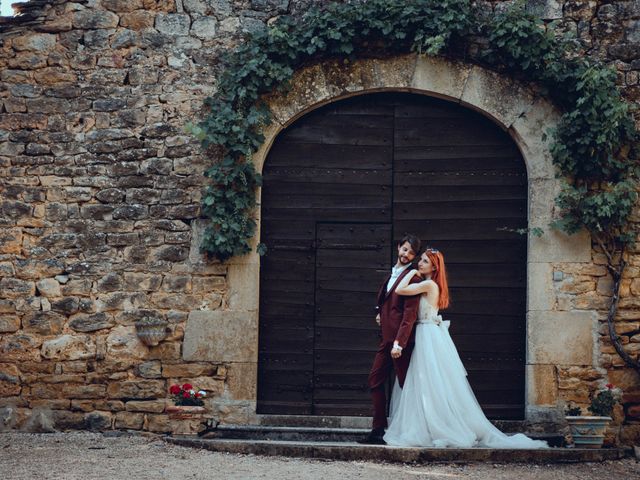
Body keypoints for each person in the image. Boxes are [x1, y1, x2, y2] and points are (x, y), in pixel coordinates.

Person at [382, 248, 549, 448]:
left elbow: (400, 289)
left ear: (434, 266)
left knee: (430, 380)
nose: (420, 263)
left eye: (425, 261)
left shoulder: (428, 284)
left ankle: (440, 424)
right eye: (421, 260)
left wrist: (409, 272)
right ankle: (428, 423)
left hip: (427, 334)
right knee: (427, 382)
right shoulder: (430, 284)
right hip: (427, 333)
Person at [359, 234, 422, 445]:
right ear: (398, 247)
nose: (406, 255)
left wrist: (400, 343)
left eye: (411, 253)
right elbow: (387, 301)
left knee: (406, 385)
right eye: (405, 249)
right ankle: (378, 430)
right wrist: (380, 312)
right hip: (385, 340)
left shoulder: (413, 278)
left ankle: (415, 430)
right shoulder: (391, 274)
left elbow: (409, 315)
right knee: (375, 380)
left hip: (399, 344)